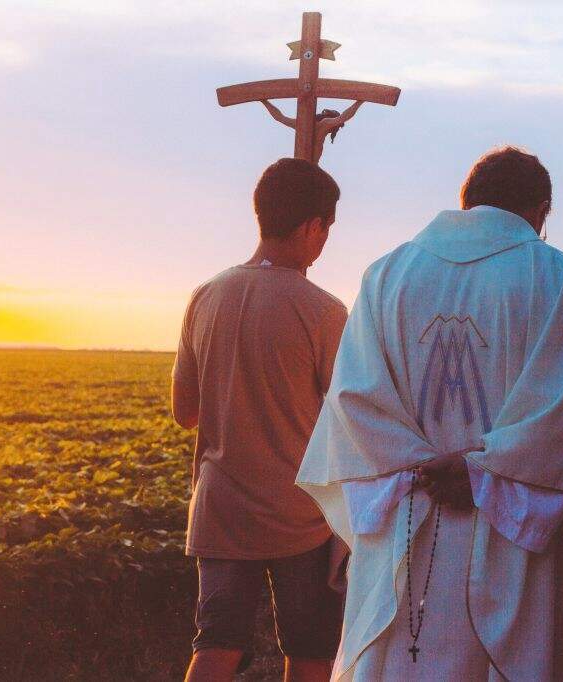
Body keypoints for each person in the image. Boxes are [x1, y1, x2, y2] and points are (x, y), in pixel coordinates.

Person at [297, 146, 563, 680]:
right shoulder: (561, 281)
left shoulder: (386, 276)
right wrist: (482, 468)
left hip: (405, 517)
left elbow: (353, 399)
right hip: (511, 530)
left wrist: (421, 465)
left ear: (466, 201)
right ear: (540, 211)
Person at [172, 158, 348, 682]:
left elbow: (185, 412)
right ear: (313, 226)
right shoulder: (324, 311)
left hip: (221, 511)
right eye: (326, 230)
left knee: (216, 646)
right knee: (310, 653)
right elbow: (347, 419)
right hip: (301, 516)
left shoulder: (205, 297)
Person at [261, 99, 364, 162]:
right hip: (310, 167)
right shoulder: (325, 124)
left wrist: (264, 101)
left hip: (300, 164)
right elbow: (342, 118)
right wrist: (360, 102)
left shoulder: (302, 124)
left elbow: (280, 117)